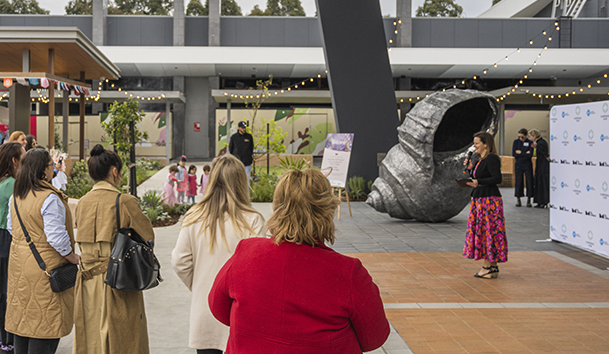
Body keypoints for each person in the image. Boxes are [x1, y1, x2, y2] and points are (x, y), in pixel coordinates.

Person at [209, 168, 389, 354]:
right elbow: (374, 337)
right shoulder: (348, 273)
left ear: (278, 207)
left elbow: (218, 307)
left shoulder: (246, 253)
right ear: (327, 210)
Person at [172, 154, 265, 354]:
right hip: (240, 315)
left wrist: (200, 285)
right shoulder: (253, 220)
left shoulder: (193, 216)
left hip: (205, 312)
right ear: (242, 182)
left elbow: (179, 262)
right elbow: (260, 270)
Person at [73, 144, 155, 354]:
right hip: (118, 278)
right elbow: (148, 237)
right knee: (123, 339)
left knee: (90, 338)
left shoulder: (82, 202)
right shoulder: (124, 201)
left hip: (86, 280)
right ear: (114, 172)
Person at [6, 147, 78, 354]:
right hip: (46, 267)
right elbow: (56, 236)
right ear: (42, 170)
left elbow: (12, 228)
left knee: (24, 323)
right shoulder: (49, 198)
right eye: (50, 165)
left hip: (20, 265)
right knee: (46, 326)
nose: (52, 169)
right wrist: (71, 256)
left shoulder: (17, 196)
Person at [0, 141, 24, 351]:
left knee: (1, 291)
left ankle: (4, 339)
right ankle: (7, 341)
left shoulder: (1, 180)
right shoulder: (10, 184)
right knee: (6, 292)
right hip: (6, 239)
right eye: (23, 157)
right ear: (14, 161)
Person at [463, 131, 508, 279]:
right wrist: (470, 169)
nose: (474, 146)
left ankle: (487, 266)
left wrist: (479, 182)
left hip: (489, 201)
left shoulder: (492, 158)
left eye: (477, 143)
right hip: (480, 200)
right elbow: (478, 177)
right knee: (484, 232)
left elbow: (497, 178)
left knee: (488, 232)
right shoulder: (480, 159)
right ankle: (493, 265)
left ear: (485, 144)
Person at [512, 128, 534, 207]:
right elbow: (514, 153)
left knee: (529, 181)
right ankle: (518, 199)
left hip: (527, 164)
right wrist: (525, 153)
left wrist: (521, 152)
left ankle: (529, 199)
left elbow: (530, 154)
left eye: (522, 137)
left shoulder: (530, 142)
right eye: (519, 137)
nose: (520, 139)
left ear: (526, 136)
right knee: (518, 181)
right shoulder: (516, 142)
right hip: (518, 164)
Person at [530, 129, 550, 208]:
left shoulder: (541, 143)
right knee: (540, 183)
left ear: (534, 136)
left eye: (531, 136)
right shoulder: (541, 143)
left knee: (541, 183)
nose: (530, 138)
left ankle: (542, 201)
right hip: (541, 165)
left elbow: (544, 153)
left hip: (542, 166)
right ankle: (540, 201)